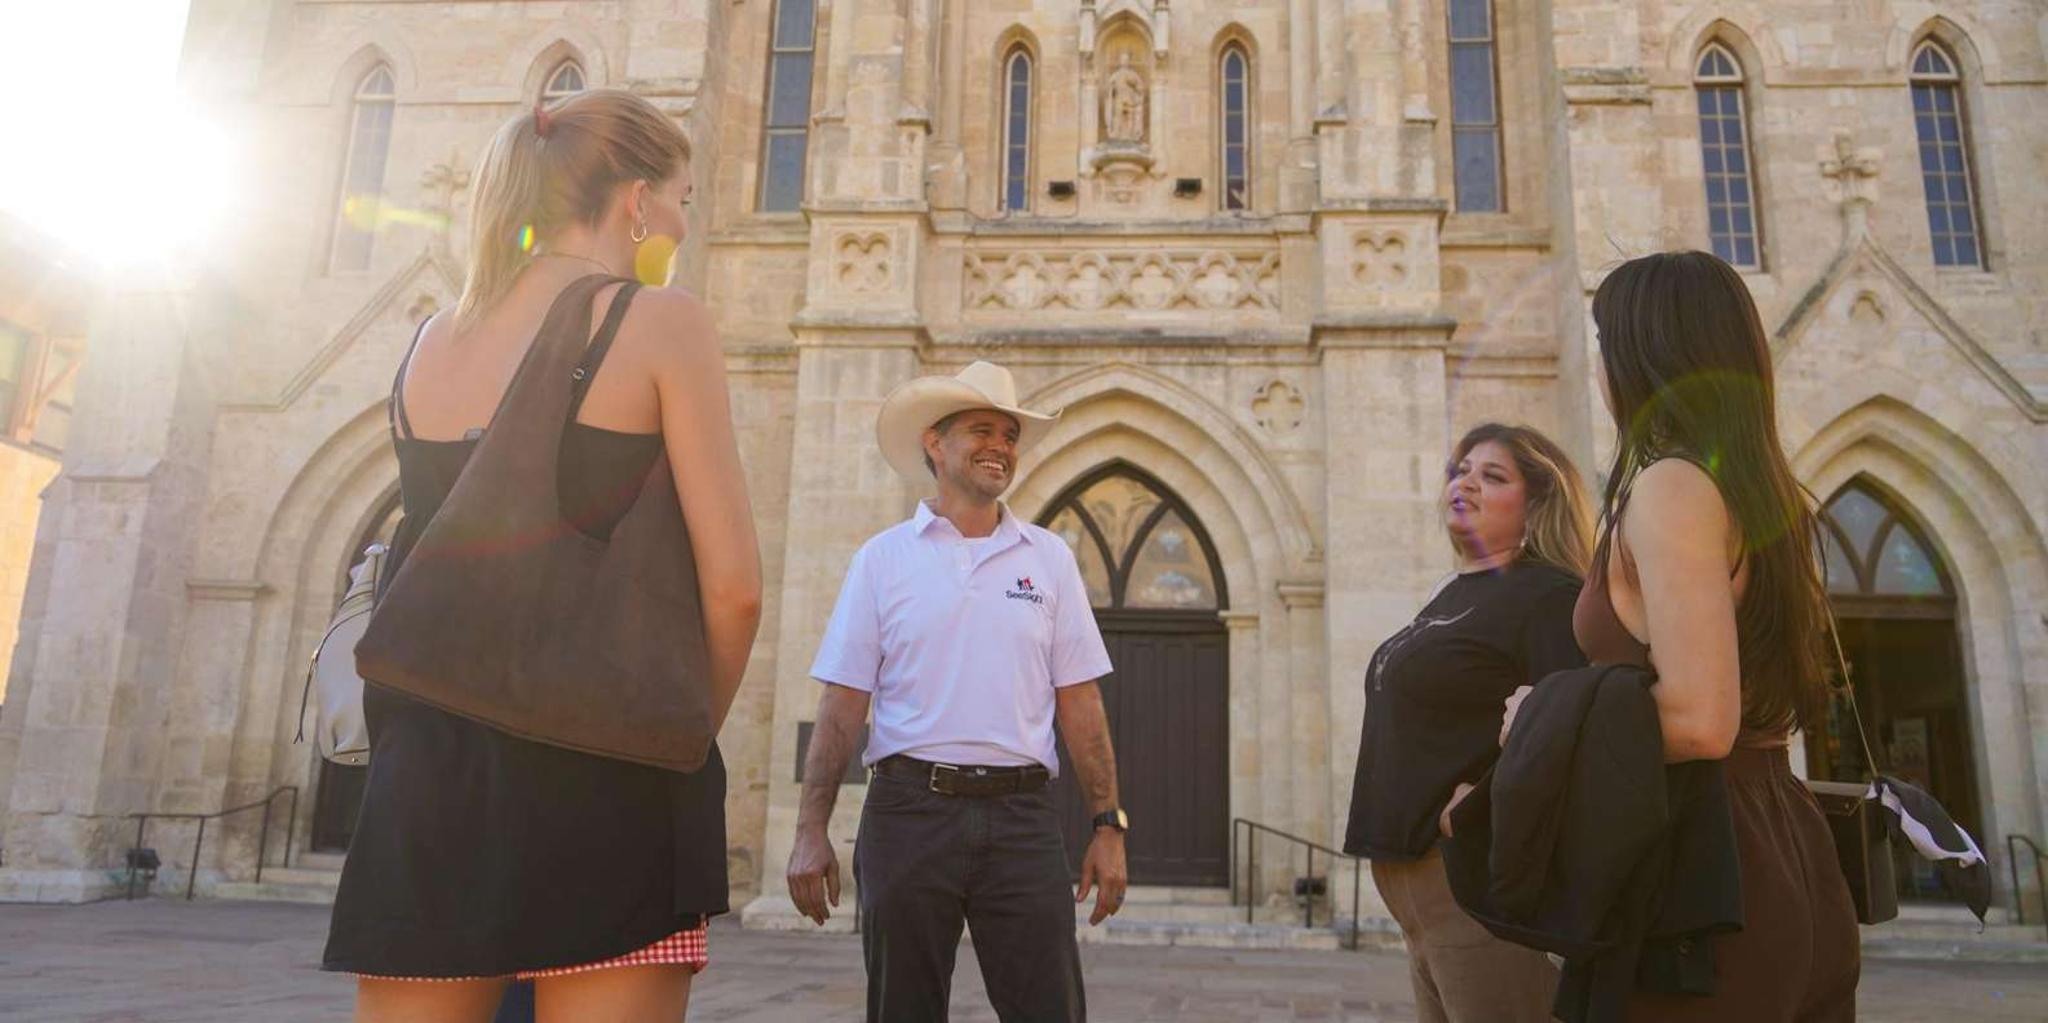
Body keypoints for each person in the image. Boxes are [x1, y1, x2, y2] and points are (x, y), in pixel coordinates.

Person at [322, 89, 763, 1022]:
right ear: (636, 200)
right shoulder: (660, 321)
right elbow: (736, 592)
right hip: (607, 773)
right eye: (683, 195)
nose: (685, 220)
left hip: (427, 776)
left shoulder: (428, 343)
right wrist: (678, 737)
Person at [1507, 249, 1859, 1019]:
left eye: (1605, 346)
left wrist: (1541, 716)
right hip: (1776, 844)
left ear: (1641, 355)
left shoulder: (1673, 486)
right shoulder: (1757, 489)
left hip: (1700, 874)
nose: (1599, 370)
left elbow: (1703, 719)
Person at [786, 361, 1128, 1023]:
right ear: (933, 443)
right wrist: (810, 829)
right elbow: (842, 703)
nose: (1001, 444)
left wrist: (1108, 825)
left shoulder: (1049, 558)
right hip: (908, 812)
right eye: (982, 429)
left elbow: (1081, 701)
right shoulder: (882, 559)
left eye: (1010, 433)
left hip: (1024, 818)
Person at [1342, 422, 1595, 1023]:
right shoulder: (1455, 595)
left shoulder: (1550, 597)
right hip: (1414, 888)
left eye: (1494, 475)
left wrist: (1480, 804)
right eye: (1461, 470)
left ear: (1536, 505)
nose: (1467, 483)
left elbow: (1574, 729)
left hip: (1473, 881)